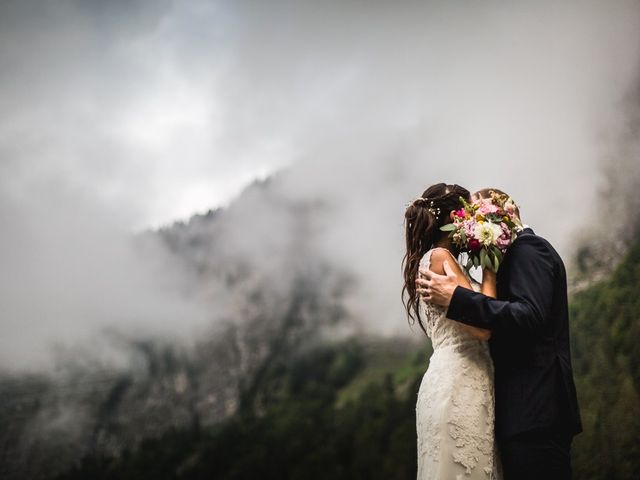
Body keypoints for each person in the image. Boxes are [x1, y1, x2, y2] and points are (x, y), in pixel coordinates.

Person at [417, 188, 582, 480]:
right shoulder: (510, 259)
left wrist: (457, 297)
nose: (472, 226)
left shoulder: (530, 249)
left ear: (506, 214)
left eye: (479, 216)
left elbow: (528, 315)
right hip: (522, 413)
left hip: (536, 410)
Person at [402, 183, 502, 479]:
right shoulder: (441, 258)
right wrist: (489, 265)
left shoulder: (428, 260)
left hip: (449, 377)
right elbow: (484, 325)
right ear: (454, 218)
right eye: (469, 215)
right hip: (461, 381)